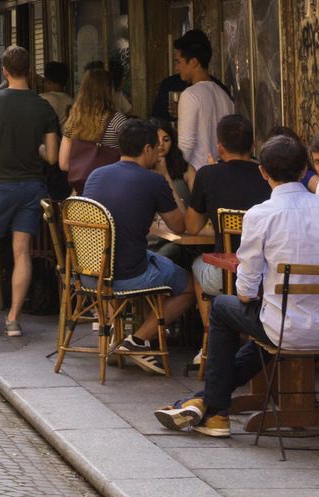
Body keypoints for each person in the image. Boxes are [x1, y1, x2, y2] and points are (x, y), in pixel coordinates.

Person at [153, 134, 319, 437]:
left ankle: (216, 409)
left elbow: (245, 291)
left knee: (224, 307)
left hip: (283, 328)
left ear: (263, 172)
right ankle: (206, 401)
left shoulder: (260, 215)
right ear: (305, 170)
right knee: (272, 320)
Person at [80, 119, 198, 372]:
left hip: (90, 274)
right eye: (156, 147)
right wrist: (165, 176)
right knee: (190, 286)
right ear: (147, 149)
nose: (159, 153)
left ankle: (132, 341)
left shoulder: (96, 175)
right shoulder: (151, 181)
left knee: (155, 261)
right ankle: (138, 341)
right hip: (127, 275)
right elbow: (180, 226)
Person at [0, 46, 60, 338]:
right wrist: (34, 149)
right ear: (29, 69)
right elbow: (52, 156)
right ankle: (14, 319)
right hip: (33, 186)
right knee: (22, 252)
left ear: (4, 70)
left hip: (1, 183)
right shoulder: (44, 107)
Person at [183, 115, 270, 302]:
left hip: (227, 274)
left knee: (196, 264)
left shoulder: (207, 175)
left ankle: (209, 329)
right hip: (266, 274)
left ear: (220, 147)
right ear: (253, 145)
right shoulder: (268, 177)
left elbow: (192, 227)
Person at [58, 67, 129, 193]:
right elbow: (129, 161)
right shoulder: (117, 121)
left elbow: (63, 164)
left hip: (82, 194)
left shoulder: (74, 121)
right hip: (111, 190)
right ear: (109, 91)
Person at [172, 30, 234, 169]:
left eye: (179, 62)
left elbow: (186, 146)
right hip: (220, 172)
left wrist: (174, 171)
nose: (177, 67)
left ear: (193, 62)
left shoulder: (190, 95)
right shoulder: (224, 95)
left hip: (198, 174)